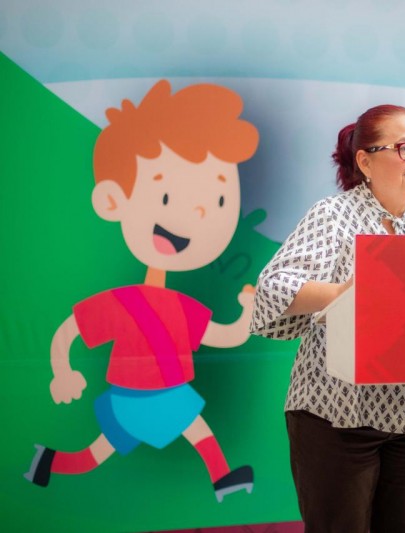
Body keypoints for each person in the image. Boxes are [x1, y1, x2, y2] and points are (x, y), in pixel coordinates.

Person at [24, 80, 259, 501]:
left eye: (218, 202)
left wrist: (246, 310)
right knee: (194, 426)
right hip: (148, 394)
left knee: (96, 453)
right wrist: (62, 370)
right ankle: (222, 477)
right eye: (167, 196)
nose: (195, 215)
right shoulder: (126, 302)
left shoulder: (180, 306)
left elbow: (227, 336)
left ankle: (47, 462)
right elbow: (71, 329)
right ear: (113, 201)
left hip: (140, 395)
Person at [250, 104, 405, 532]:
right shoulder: (333, 215)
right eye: (404, 148)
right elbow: (273, 289)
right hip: (338, 413)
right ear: (365, 161)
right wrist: (347, 293)